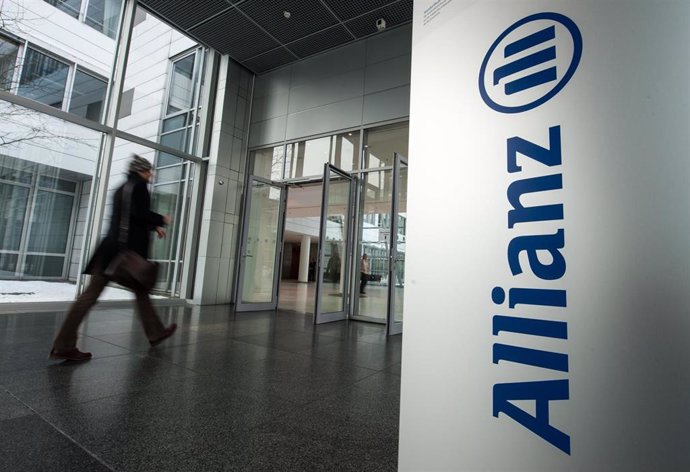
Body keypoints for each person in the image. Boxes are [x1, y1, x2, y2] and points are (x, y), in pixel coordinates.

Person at [50, 155, 177, 361]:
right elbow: (140, 213)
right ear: (141, 171)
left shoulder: (123, 188)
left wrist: (154, 226)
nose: (151, 174)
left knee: (138, 290)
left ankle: (155, 333)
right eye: (148, 170)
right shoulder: (139, 187)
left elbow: (129, 216)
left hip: (110, 249)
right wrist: (161, 219)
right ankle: (63, 345)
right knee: (91, 296)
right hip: (121, 254)